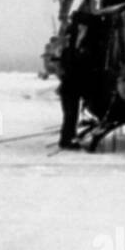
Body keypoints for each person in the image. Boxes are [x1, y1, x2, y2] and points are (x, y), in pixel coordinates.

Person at [57, 14, 91, 149]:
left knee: (70, 115)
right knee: (70, 115)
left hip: (69, 88)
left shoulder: (68, 51)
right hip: (71, 89)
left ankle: (68, 138)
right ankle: (66, 140)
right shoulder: (71, 52)